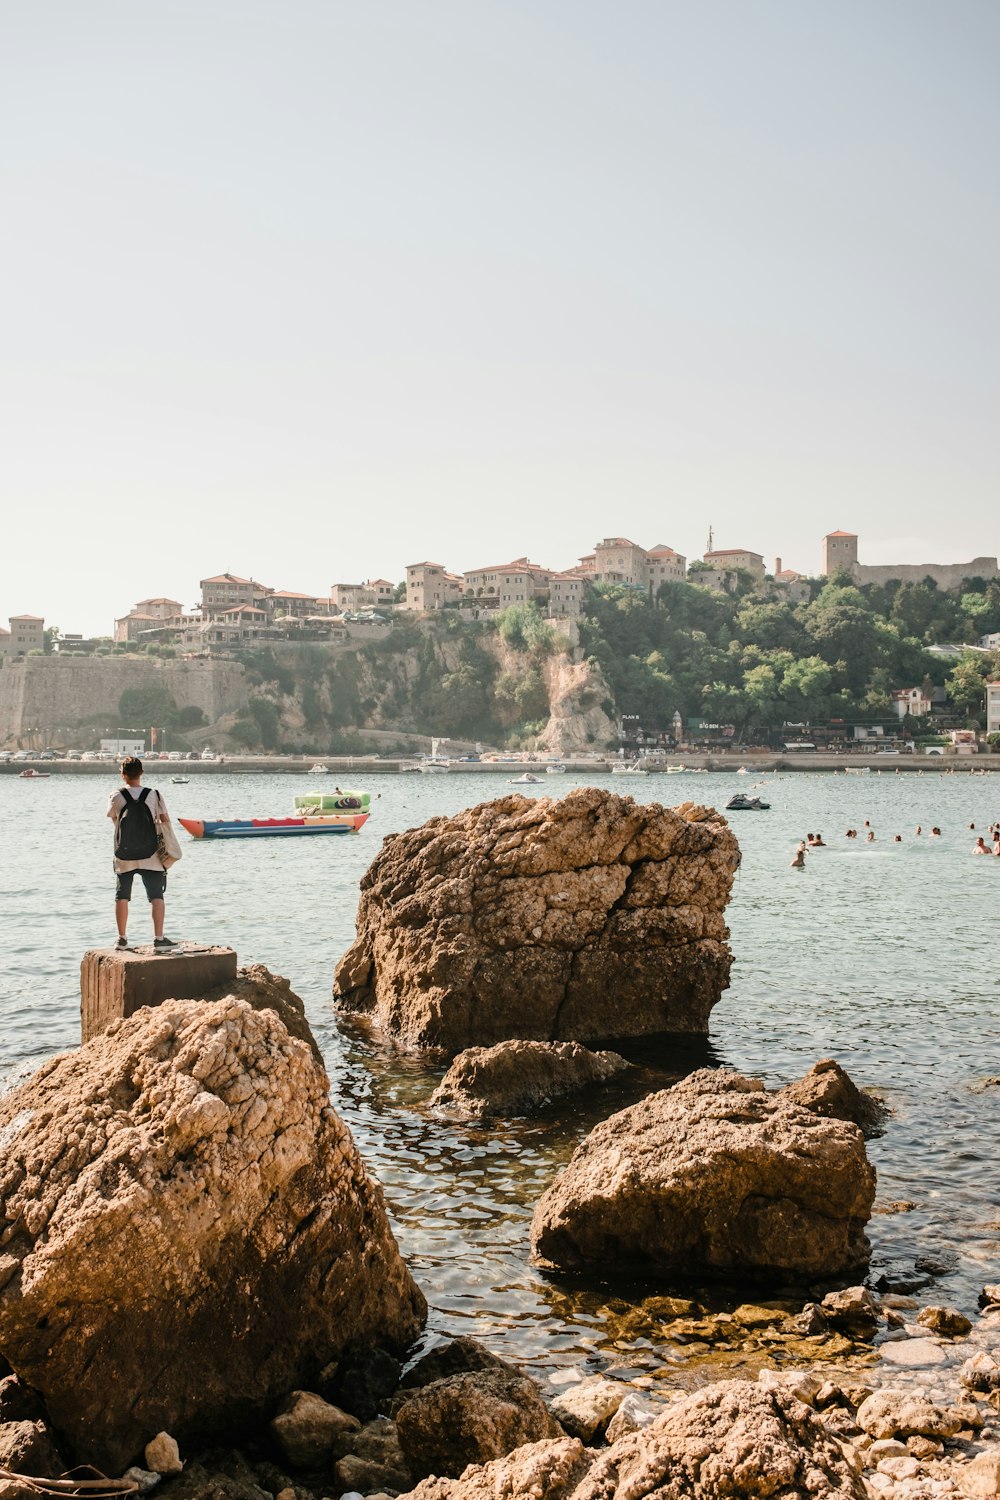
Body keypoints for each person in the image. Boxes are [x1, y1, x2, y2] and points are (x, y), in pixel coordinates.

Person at [108, 757, 176, 950]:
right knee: (156, 895)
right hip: (151, 853)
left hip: (124, 853)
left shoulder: (116, 795)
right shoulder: (153, 794)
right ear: (142, 773)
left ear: (123, 775)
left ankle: (121, 939)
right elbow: (164, 821)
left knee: (122, 895)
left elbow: (114, 820)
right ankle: (159, 939)